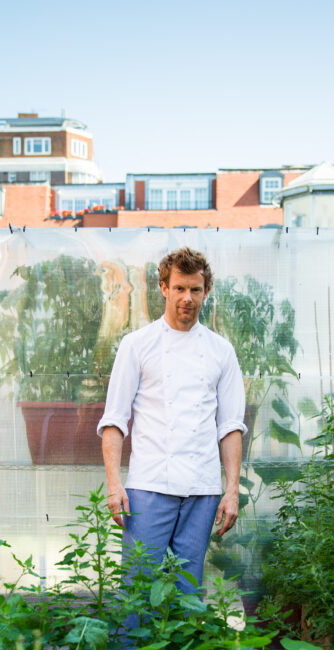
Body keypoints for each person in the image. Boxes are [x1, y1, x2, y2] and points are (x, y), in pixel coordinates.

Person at [97, 246, 246, 598]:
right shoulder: (137, 345)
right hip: (148, 487)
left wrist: (232, 489)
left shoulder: (221, 351)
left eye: (195, 289)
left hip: (202, 489)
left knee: (188, 591)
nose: (187, 298)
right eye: (179, 288)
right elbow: (115, 420)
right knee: (138, 589)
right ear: (163, 288)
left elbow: (230, 426)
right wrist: (114, 484)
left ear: (206, 292)